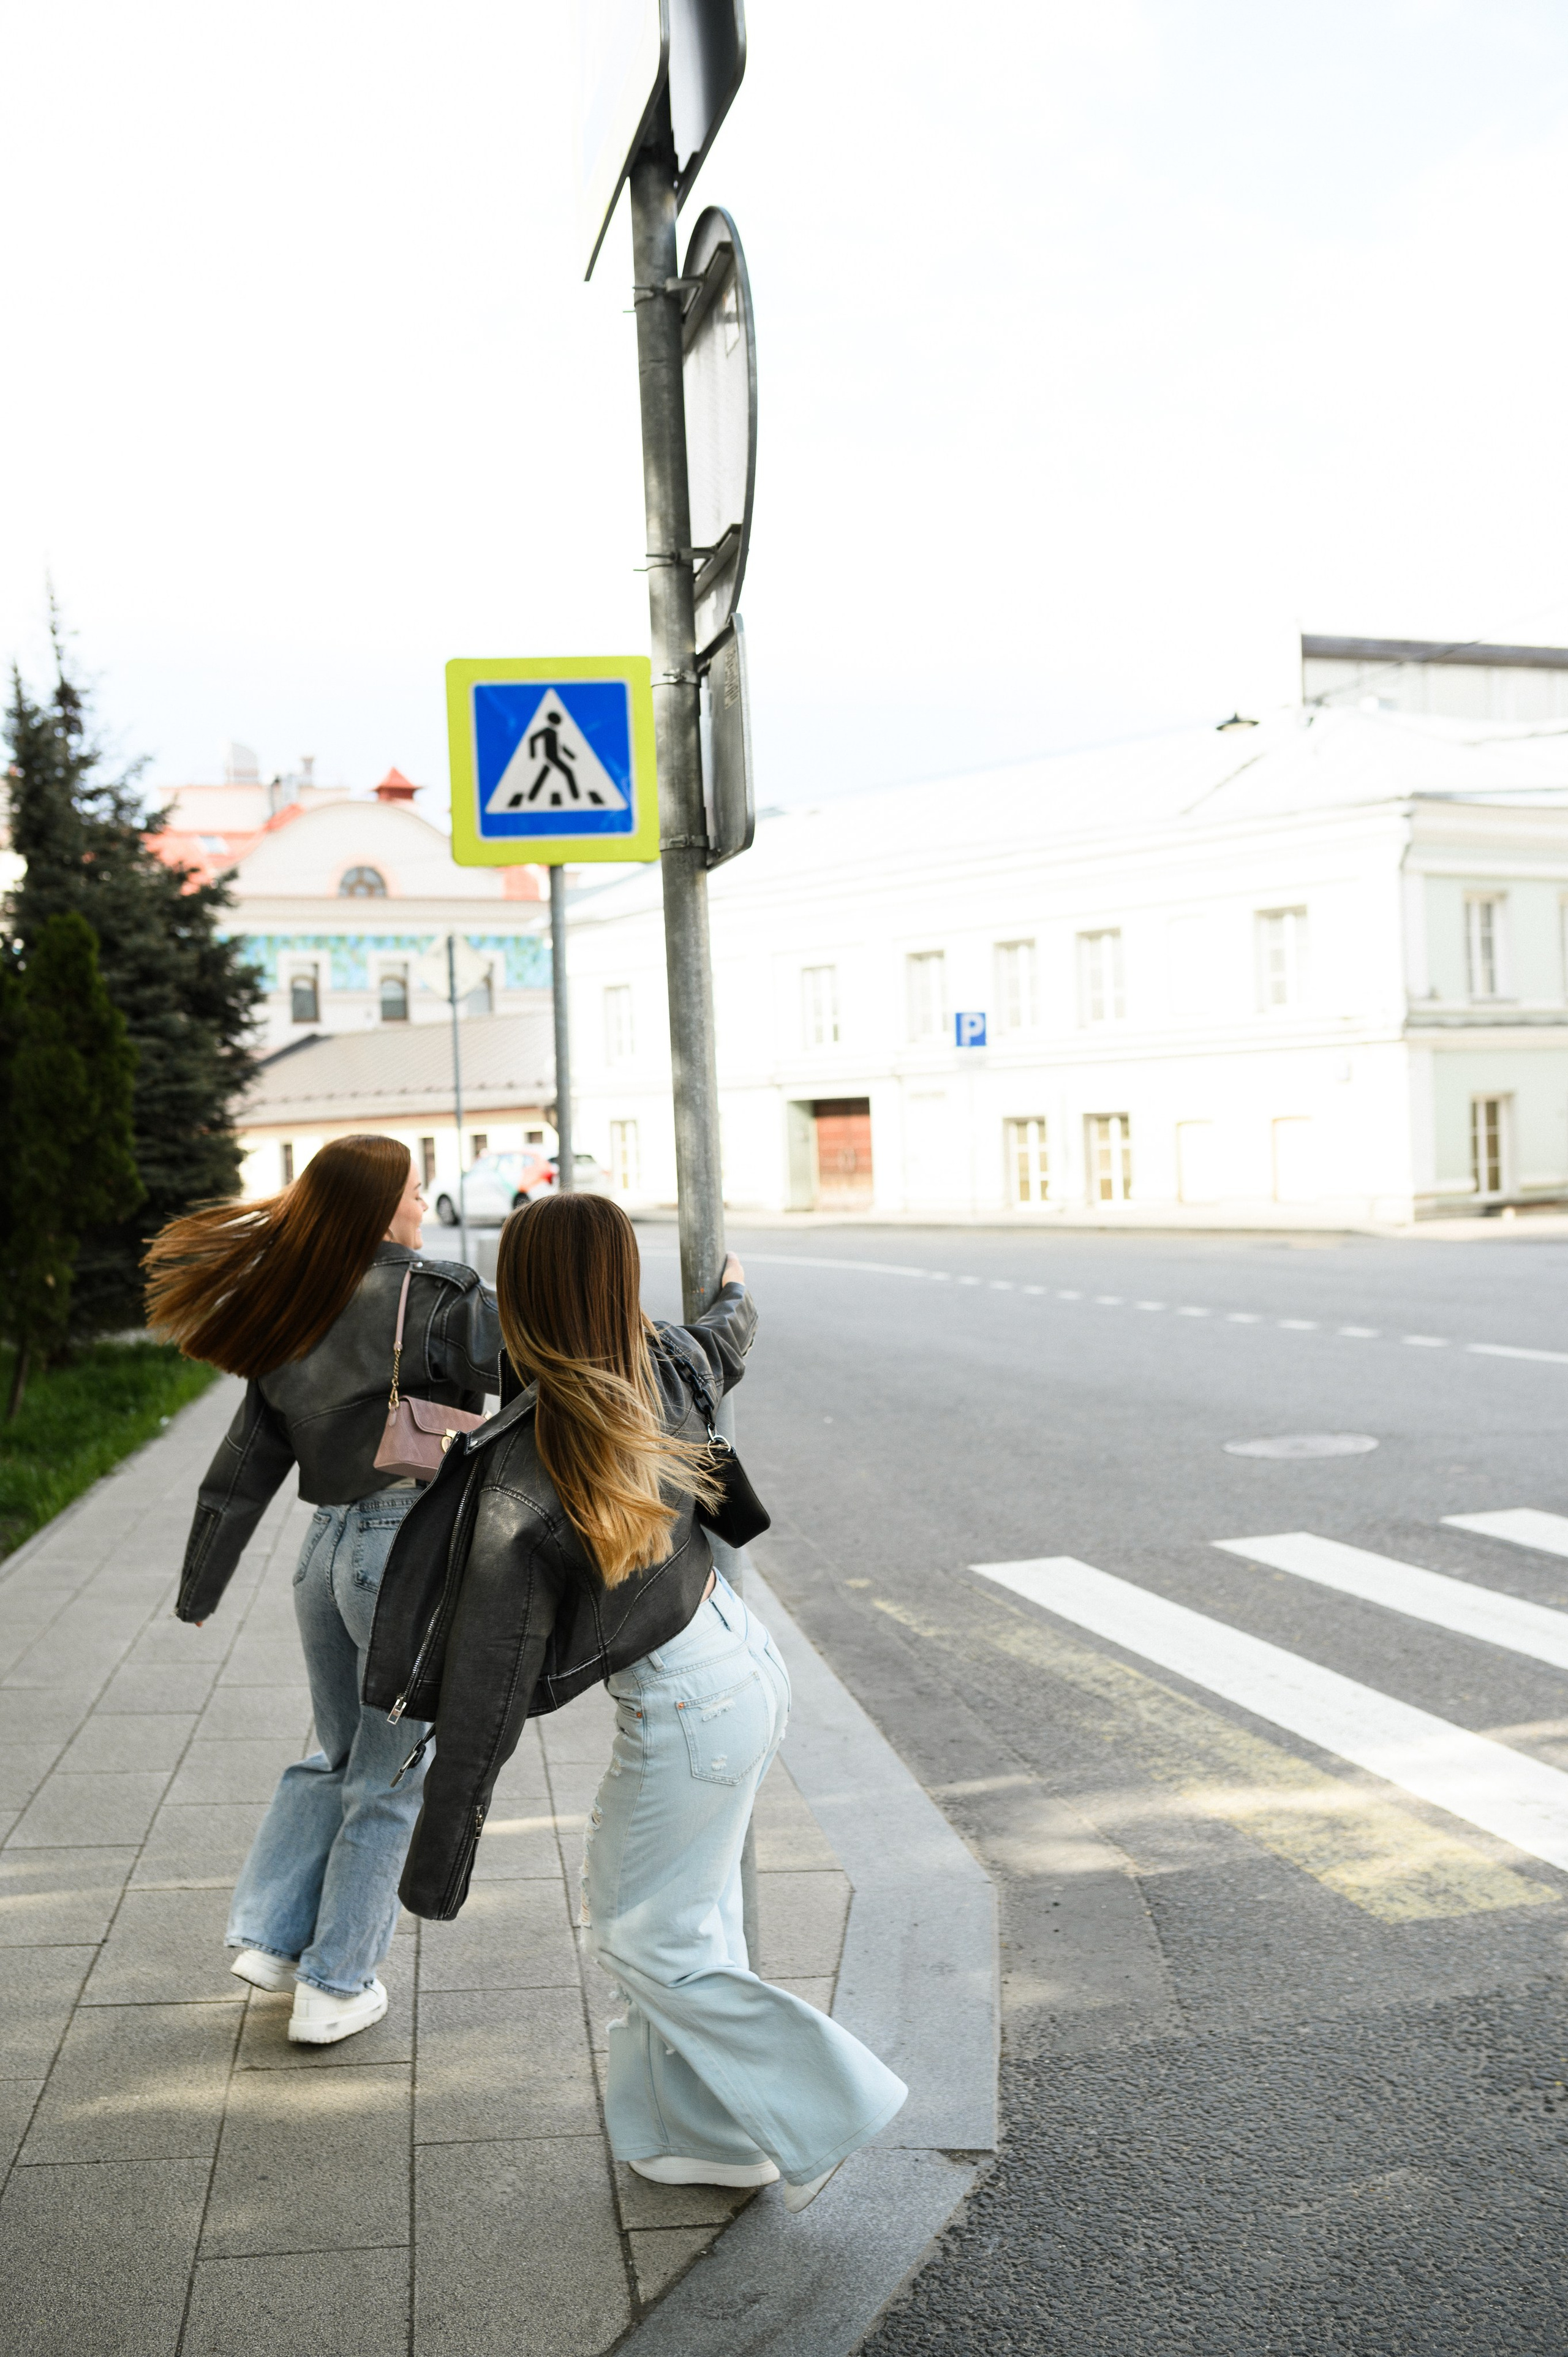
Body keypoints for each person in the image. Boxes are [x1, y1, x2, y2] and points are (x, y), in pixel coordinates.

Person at [372, 1191, 907, 2210]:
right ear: (620, 1283)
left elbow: (484, 1692)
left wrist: (435, 1869)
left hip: (692, 1711)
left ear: (516, 1298)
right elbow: (724, 1336)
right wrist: (737, 1285)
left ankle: (834, 2101)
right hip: (735, 1668)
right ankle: (691, 2135)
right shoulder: (656, 1359)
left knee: (643, 1934)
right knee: (680, 1922)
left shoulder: (530, 1463)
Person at [148, 1133, 502, 2045]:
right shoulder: (441, 1294)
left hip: (323, 1553)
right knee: (389, 1777)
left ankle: (270, 1939)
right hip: (399, 1548)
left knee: (341, 1754)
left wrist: (200, 1587)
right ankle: (337, 1985)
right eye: (417, 1192)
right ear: (384, 1207)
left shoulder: (292, 1309)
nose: (425, 1207)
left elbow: (239, 1469)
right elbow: (535, 1374)